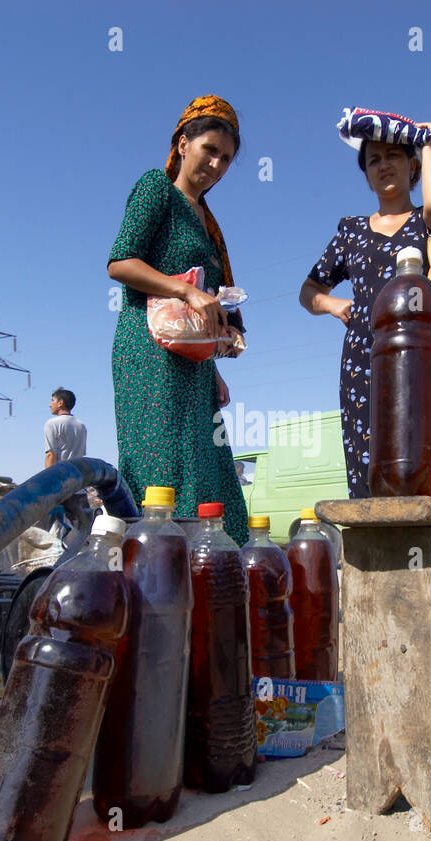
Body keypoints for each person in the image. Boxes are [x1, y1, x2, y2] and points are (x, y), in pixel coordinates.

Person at [106, 95, 249, 544]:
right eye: (210, 149)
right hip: (148, 351)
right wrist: (184, 288)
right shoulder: (157, 190)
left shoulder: (208, 224)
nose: (216, 164)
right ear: (183, 143)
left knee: (210, 467)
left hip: (191, 363)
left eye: (226, 158)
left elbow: (208, 301)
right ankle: (155, 576)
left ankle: (212, 576)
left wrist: (212, 364)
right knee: (163, 466)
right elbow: (120, 262)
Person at [299, 117, 431, 498]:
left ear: (413, 167)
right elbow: (308, 290)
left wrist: (428, 145)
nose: (384, 165)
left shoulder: (429, 221)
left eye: (394, 156)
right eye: (374, 160)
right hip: (365, 359)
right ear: (367, 176)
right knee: (372, 466)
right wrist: (334, 305)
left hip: (428, 354)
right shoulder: (351, 230)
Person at [43, 387, 87, 469]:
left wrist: (49, 479)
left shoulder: (52, 424)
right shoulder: (81, 426)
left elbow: (50, 455)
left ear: (60, 403)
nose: (50, 405)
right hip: (78, 475)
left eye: (52, 400)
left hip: (60, 475)